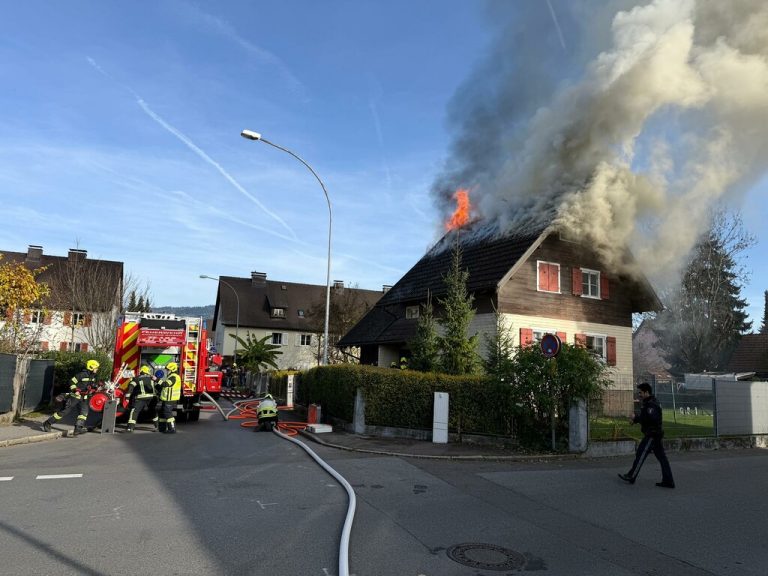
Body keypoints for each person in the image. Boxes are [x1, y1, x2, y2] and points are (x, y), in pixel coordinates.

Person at [618, 382, 675, 488]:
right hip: (655, 434)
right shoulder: (648, 403)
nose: (639, 394)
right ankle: (668, 481)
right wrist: (636, 419)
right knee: (662, 458)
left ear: (646, 392)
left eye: (640, 392)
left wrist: (635, 418)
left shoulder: (651, 404)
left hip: (652, 435)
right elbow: (646, 418)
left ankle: (631, 476)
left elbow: (650, 419)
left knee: (641, 454)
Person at [42, 359, 100, 436]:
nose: (97, 369)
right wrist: (75, 389)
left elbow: (90, 386)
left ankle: (78, 428)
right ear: (91, 367)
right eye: (96, 368)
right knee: (65, 411)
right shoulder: (81, 375)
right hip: (74, 396)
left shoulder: (92, 377)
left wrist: (96, 388)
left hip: (84, 398)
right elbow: (71, 382)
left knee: (84, 413)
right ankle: (48, 423)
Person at [125, 365, 158, 432]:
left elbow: (131, 387)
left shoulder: (137, 378)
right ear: (147, 371)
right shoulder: (152, 378)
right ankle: (158, 426)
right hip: (152, 398)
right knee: (153, 411)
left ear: (141, 371)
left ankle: (130, 428)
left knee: (135, 411)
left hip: (141, 398)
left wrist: (127, 397)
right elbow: (157, 387)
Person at [156, 362, 182, 434]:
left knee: (167, 413)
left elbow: (166, 384)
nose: (167, 371)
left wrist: (157, 380)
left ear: (172, 369)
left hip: (170, 399)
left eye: (168, 370)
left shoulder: (174, 377)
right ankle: (162, 428)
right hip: (166, 398)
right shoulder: (171, 376)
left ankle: (172, 429)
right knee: (162, 413)